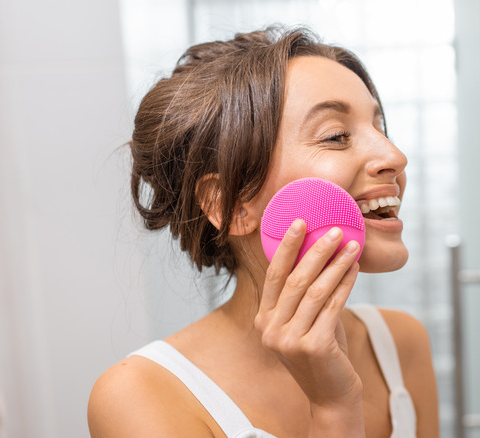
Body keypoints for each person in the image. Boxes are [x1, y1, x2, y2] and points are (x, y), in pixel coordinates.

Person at [87, 26, 439, 437]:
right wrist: (334, 409)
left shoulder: (399, 343)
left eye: (381, 129)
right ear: (231, 205)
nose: (395, 157)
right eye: (337, 136)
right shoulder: (139, 397)